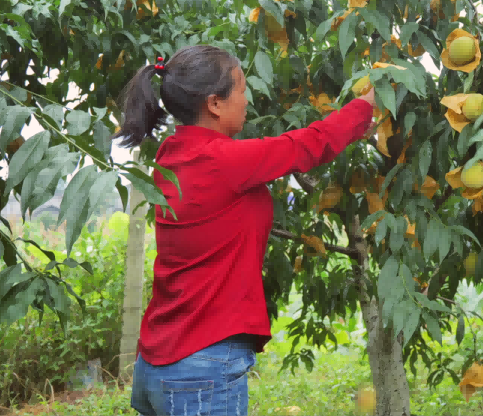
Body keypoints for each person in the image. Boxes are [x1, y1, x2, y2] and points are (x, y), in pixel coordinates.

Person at [114, 44, 377, 416]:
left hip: (160, 360)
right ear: (214, 104)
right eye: (240, 90)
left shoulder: (172, 154)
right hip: (201, 366)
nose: (247, 100)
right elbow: (307, 145)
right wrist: (368, 104)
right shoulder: (222, 161)